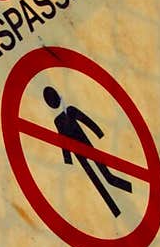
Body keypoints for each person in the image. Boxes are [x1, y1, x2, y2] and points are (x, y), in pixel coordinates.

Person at [42, 85, 133, 219]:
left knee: (107, 175)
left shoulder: (70, 110)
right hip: (78, 152)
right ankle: (114, 209)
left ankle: (130, 188)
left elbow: (86, 120)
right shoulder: (58, 120)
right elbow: (63, 141)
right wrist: (68, 159)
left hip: (87, 145)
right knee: (94, 178)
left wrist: (99, 133)